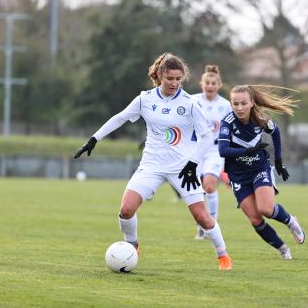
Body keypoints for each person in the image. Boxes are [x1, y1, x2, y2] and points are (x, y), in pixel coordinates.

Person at [74, 53, 232, 270]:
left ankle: (223, 255)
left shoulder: (189, 103)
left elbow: (206, 136)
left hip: (183, 168)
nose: (174, 83)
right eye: (170, 79)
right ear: (160, 76)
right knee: (126, 209)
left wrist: (193, 164)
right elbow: (119, 117)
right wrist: (94, 139)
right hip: (151, 166)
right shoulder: (145, 99)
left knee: (202, 218)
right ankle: (132, 246)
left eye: (178, 79)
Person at [217, 84, 305, 260]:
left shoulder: (260, 118)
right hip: (238, 175)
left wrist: (278, 162)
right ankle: (282, 248)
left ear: (251, 103)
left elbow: (276, 131)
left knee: (265, 208)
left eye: (243, 103)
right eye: (235, 104)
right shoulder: (227, 122)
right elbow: (223, 150)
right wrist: (246, 151)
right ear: (231, 104)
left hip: (259, 167)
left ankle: (290, 222)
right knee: (255, 219)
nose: (239, 108)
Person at [191, 65, 232, 240]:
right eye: (207, 82)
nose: (210, 85)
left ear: (219, 85)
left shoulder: (225, 105)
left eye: (213, 83)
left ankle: (211, 225)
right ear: (201, 84)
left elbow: (232, 129)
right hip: (195, 150)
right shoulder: (192, 100)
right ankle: (201, 224)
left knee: (209, 186)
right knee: (195, 190)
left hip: (215, 151)